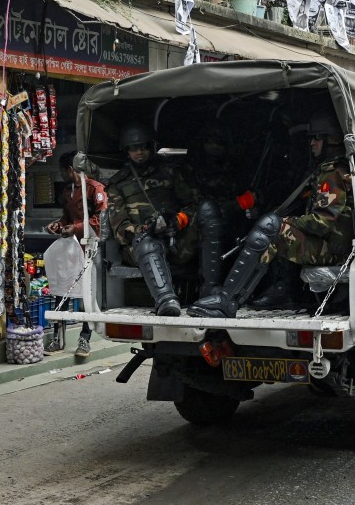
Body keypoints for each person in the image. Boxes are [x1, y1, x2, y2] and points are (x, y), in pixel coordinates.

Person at [188, 111, 354, 318]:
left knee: (273, 228)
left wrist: (287, 222)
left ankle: (228, 300)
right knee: (273, 225)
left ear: (333, 141)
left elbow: (323, 222)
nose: (311, 143)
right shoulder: (326, 169)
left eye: (317, 138)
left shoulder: (333, 173)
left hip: (335, 250)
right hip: (331, 245)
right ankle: (257, 293)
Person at [105, 123, 224, 316]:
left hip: (176, 241)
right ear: (126, 152)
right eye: (134, 149)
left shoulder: (170, 172)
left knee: (208, 209)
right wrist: (144, 229)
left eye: (143, 147)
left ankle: (211, 291)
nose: (139, 152)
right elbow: (120, 229)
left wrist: (180, 219)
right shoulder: (118, 184)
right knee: (147, 243)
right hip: (140, 246)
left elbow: (196, 203)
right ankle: (166, 300)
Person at [44, 151, 107, 358]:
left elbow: (102, 221)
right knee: (61, 290)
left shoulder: (95, 189)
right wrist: (58, 225)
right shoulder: (67, 192)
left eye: (63, 171)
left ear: (70, 170)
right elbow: (66, 217)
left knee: (87, 295)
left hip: (90, 248)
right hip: (72, 248)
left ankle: (85, 339)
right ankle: (58, 338)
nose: (62, 175)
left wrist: (77, 227)